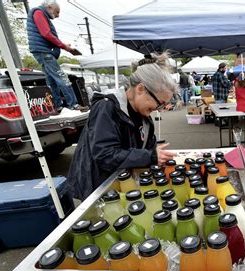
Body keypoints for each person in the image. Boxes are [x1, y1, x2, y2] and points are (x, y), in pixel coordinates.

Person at [67, 52, 178, 201]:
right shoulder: (106, 107)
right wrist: (150, 156)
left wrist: (155, 155)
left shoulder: (144, 117)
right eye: (159, 103)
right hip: (99, 187)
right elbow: (105, 155)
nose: (160, 108)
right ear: (141, 89)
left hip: (124, 184)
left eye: (164, 105)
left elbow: (145, 150)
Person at [26, 0, 87, 112]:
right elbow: (46, 34)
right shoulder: (39, 12)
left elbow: (45, 35)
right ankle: (73, 104)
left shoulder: (39, 13)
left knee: (51, 81)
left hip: (41, 51)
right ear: (49, 7)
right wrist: (64, 46)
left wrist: (62, 45)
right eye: (56, 12)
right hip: (44, 52)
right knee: (62, 77)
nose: (58, 15)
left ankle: (57, 106)